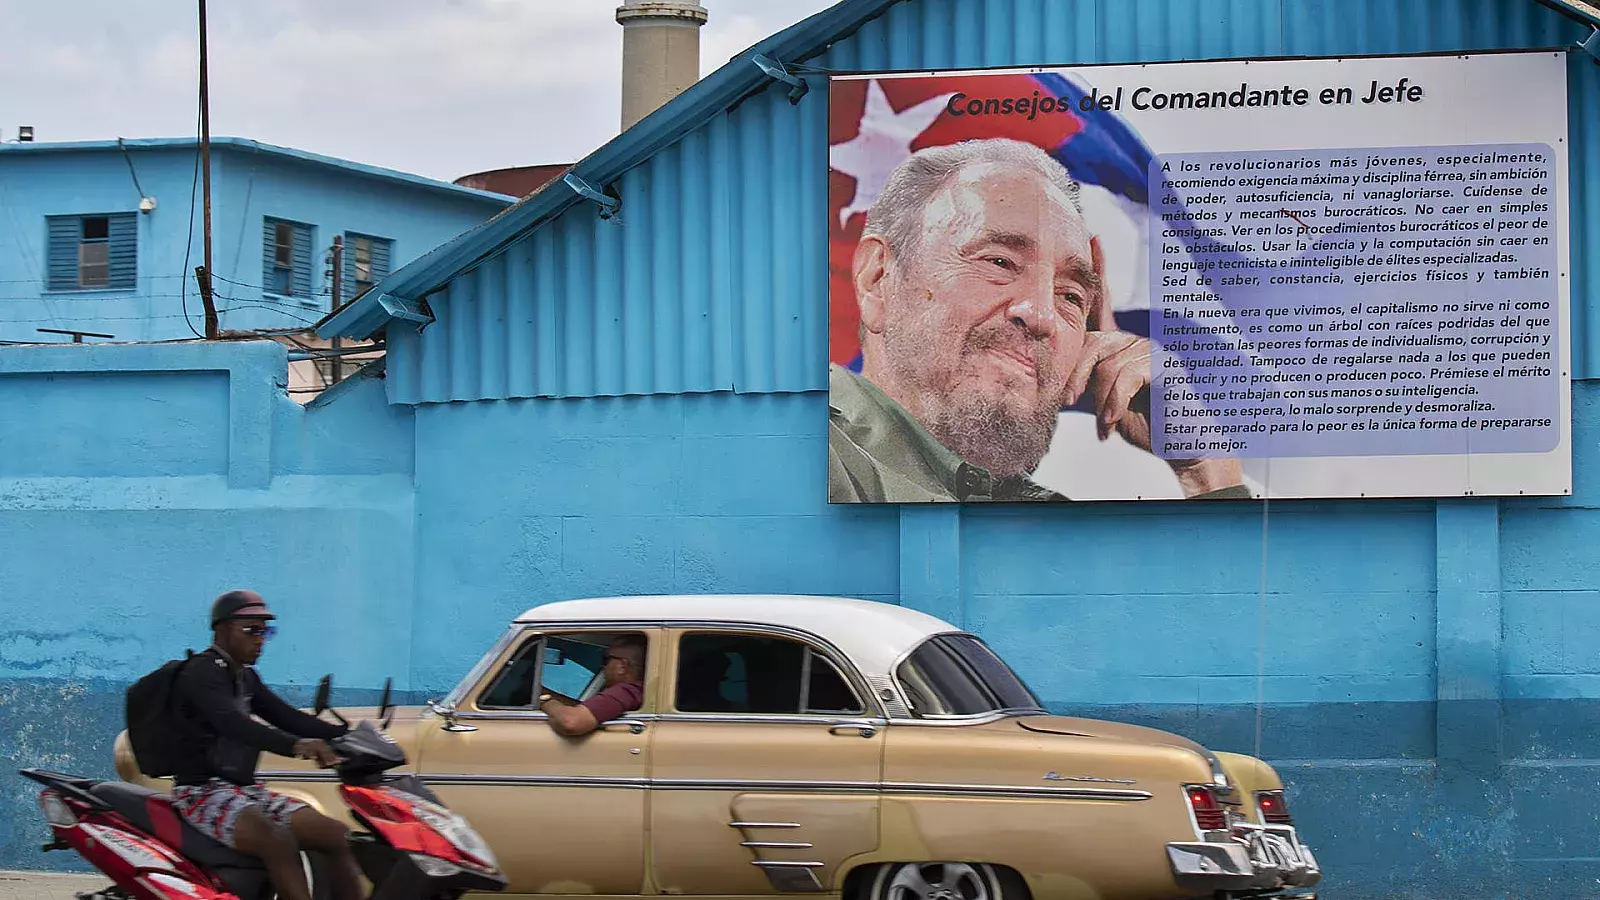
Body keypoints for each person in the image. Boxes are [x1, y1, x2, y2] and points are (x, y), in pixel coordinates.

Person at [829, 137, 1249, 502]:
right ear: (878, 278)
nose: (1042, 314)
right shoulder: (791, 452)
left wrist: (1207, 471)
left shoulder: (1061, 527)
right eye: (999, 262)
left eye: (1070, 295)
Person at [169, 590, 363, 900]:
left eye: (266, 631)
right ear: (221, 629)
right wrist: (298, 746)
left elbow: (286, 716)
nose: (260, 639)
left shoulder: (246, 678)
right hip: (202, 793)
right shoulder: (201, 673)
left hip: (246, 791)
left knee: (335, 835)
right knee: (277, 838)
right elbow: (235, 725)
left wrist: (346, 736)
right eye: (251, 630)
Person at [537, 636, 646, 736]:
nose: (603, 666)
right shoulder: (638, 692)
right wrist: (545, 693)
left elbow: (571, 722)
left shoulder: (626, 691)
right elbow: (587, 709)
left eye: (606, 659)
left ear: (622, 666)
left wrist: (545, 701)